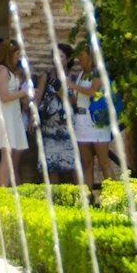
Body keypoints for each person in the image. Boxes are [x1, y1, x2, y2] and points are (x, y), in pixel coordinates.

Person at [70, 44, 117, 193]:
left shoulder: (98, 73)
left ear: (90, 56)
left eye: (82, 56)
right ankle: (87, 198)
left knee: (104, 161)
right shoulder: (80, 74)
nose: (79, 59)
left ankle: (113, 197)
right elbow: (77, 98)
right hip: (81, 120)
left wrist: (72, 86)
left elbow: (92, 92)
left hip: (96, 120)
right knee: (86, 162)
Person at [0, 42, 31, 187]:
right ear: (9, 54)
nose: (19, 58)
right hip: (5, 116)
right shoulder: (3, 71)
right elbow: (4, 96)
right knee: (6, 157)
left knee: (10, 157)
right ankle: (1, 191)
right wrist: (24, 92)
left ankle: (5, 189)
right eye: (17, 54)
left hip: (13, 115)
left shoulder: (11, 71)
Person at [35, 43, 76, 184]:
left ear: (68, 59)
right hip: (49, 126)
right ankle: (54, 198)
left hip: (69, 126)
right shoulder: (45, 77)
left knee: (74, 164)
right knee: (51, 165)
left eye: (62, 56)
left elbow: (75, 103)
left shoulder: (73, 79)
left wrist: (62, 93)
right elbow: (37, 99)